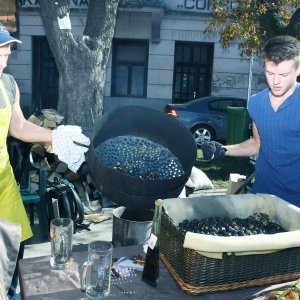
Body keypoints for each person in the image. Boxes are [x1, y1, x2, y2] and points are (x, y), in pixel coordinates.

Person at [0, 23, 89, 298]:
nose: (4, 59)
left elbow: (19, 128)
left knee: (10, 260)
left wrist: (56, 137)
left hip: (4, 187)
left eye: (7, 52)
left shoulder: (8, 84)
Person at [201, 35, 300, 206]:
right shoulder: (255, 103)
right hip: (262, 194)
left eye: (283, 74)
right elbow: (257, 144)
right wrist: (223, 149)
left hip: (296, 201)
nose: (275, 81)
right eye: (270, 73)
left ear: (298, 70)